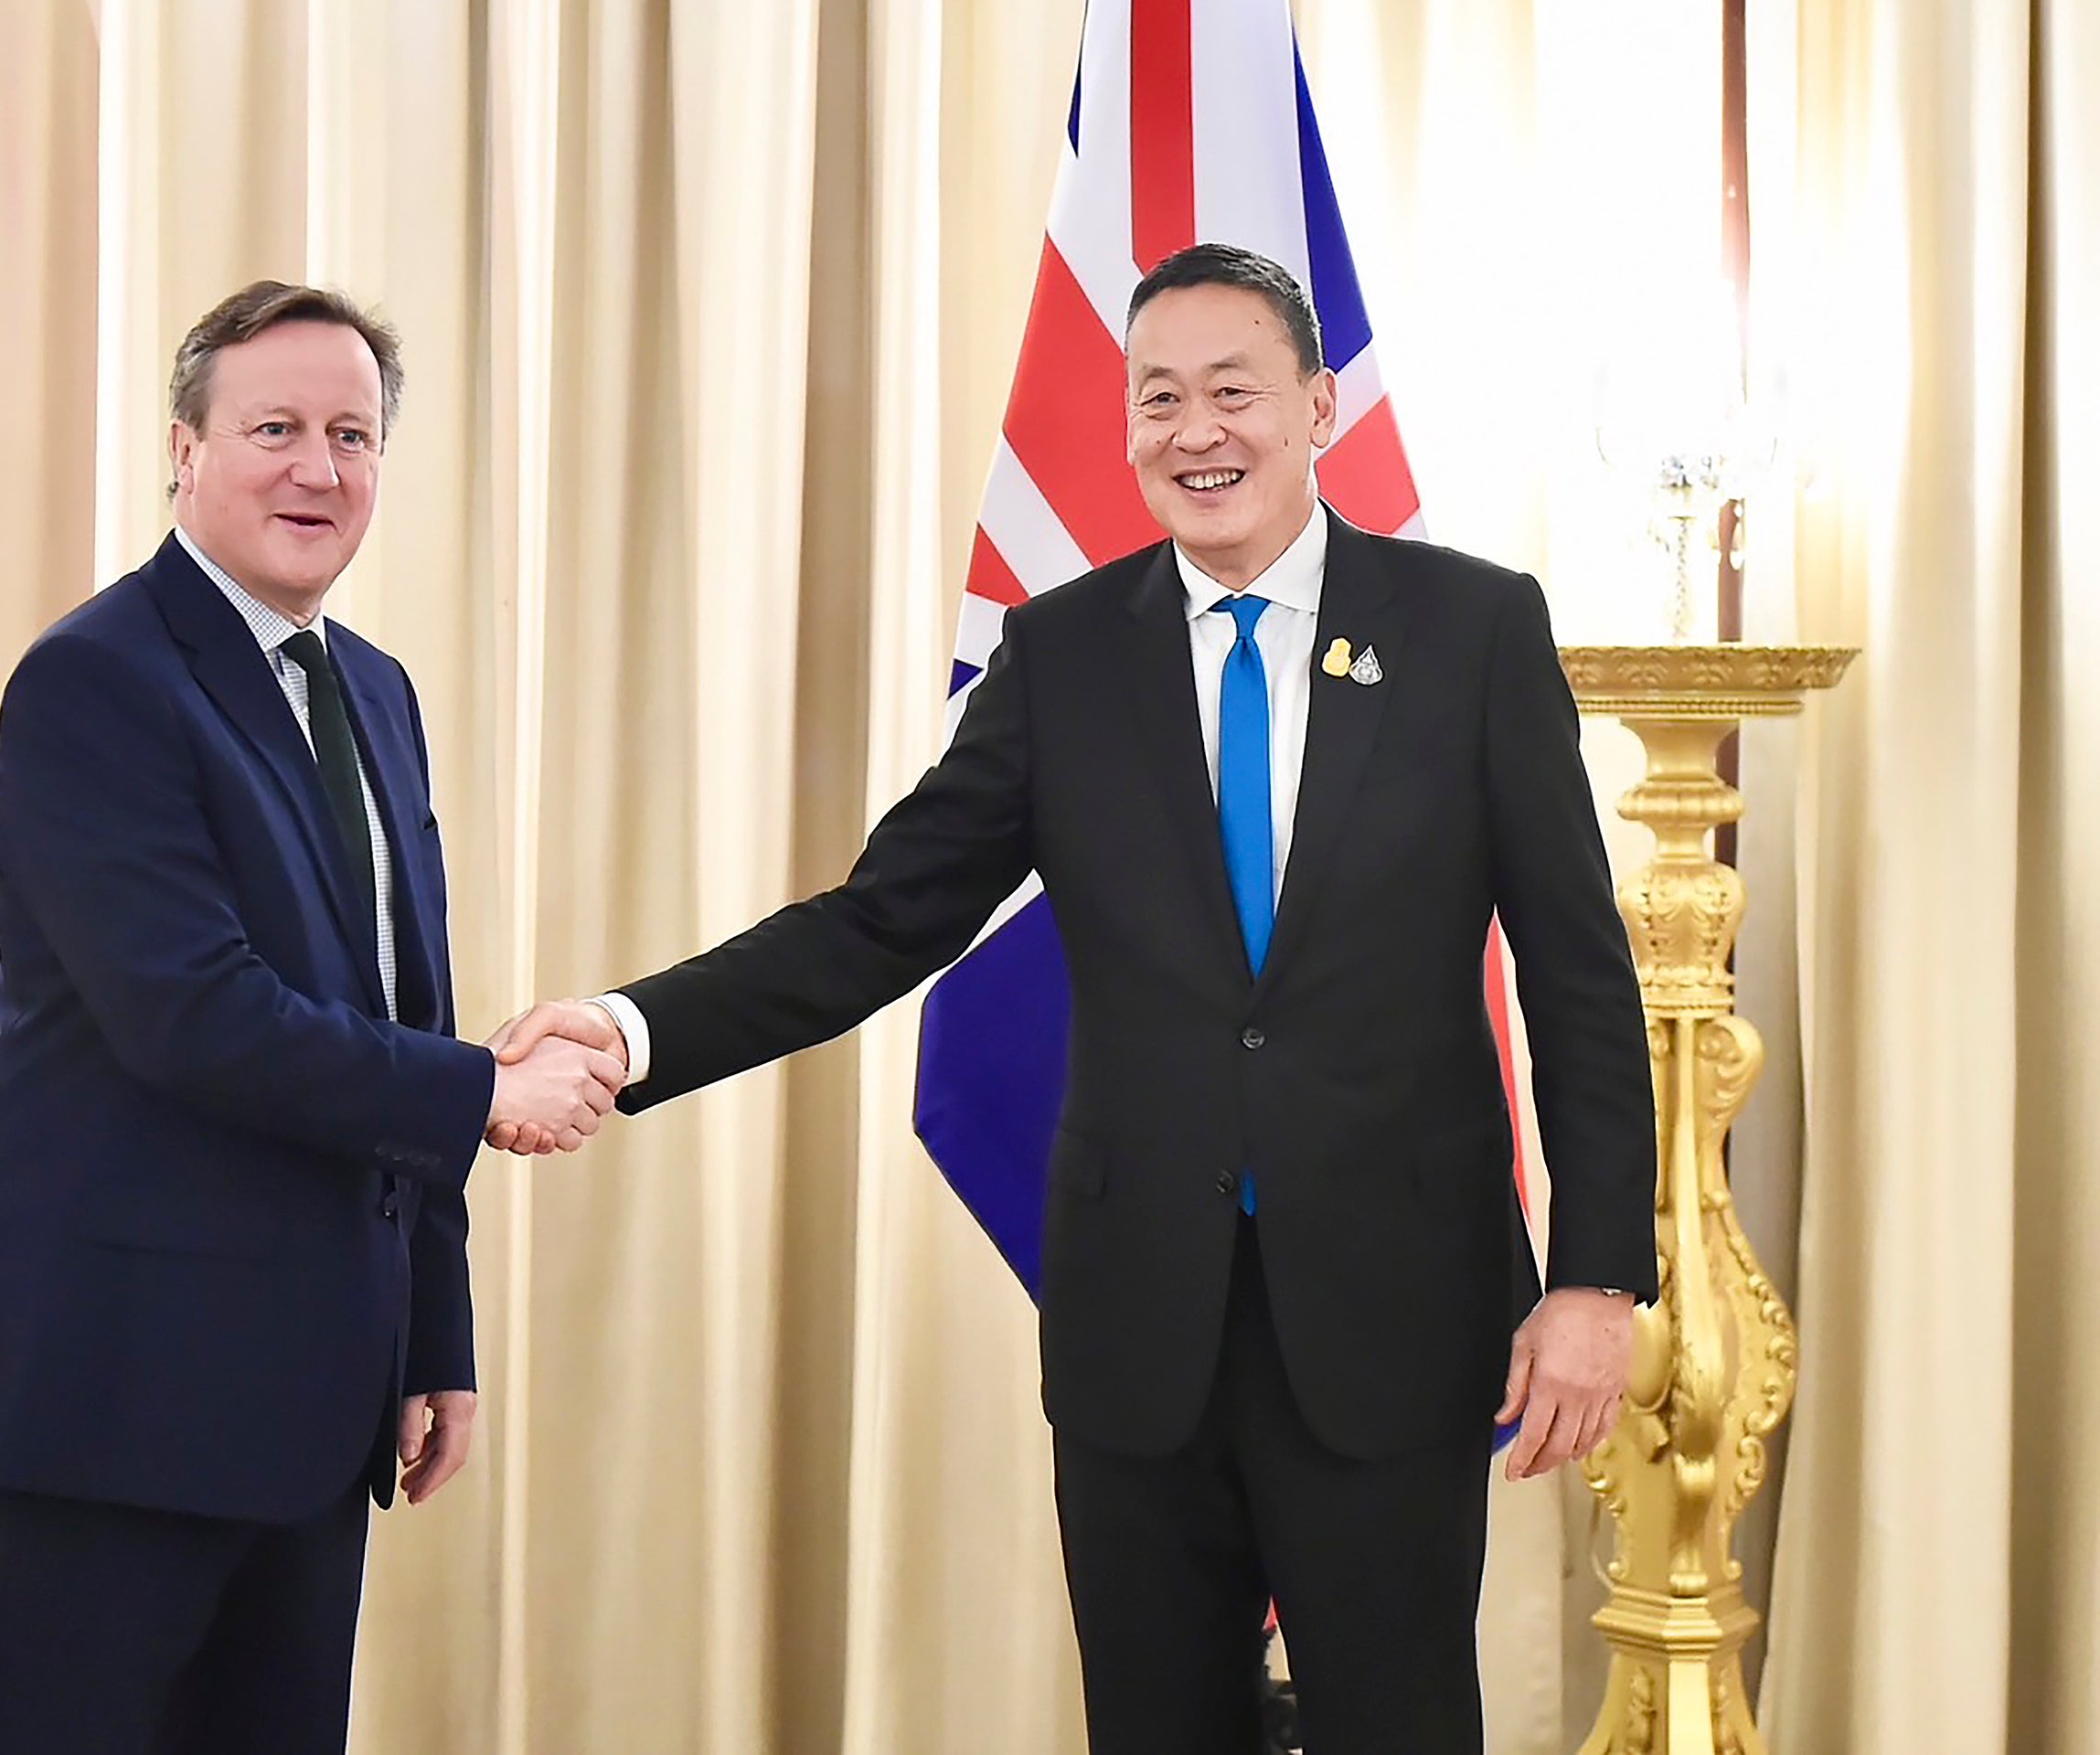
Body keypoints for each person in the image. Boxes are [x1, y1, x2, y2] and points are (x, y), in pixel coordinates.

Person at [492, 244, 1658, 1754]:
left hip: (1397, 1306)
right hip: (1140, 1325)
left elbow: (1579, 975)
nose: (1196, 432)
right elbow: (876, 921)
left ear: (1319, 407)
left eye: (1233, 391)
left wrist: (1597, 1277)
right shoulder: (1060, 658)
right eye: (1156, 398)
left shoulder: (1471, 631)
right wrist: (632, 1027)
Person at [0, 281, 624, 1755]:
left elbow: (405, 1007)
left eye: (352, 434)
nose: (318, 468)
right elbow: (194, 1015)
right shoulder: (98, 680)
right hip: (107, 1403)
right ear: (184, 449)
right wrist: (485, 1091)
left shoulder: (379, 694)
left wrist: (433, 1330)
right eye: (274, 426)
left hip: (309, 1402)